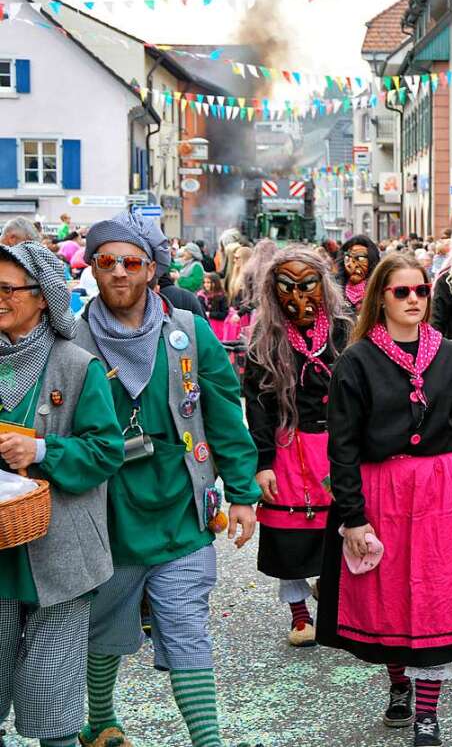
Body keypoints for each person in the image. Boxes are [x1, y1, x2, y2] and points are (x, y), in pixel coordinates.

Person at [74, 210, 260, 747]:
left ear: (151, 269)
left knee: (185, 627)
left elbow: (224, 413)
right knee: (104, 628)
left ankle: (208, 741)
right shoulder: (73, 340)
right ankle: (102, 720)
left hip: (181, 507)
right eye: (106, 261)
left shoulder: (187, 334)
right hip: (105, 512)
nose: (118, 272)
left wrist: (243, 494)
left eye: (130, 261)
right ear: (93, 267)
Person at [317, 252, 452, 747]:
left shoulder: (450, 354)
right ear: (381, 298)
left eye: (420, 291)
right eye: (402, 292)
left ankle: (428, 714)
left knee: (437, 594)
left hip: (440, 487)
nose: (414, 299)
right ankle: (399, 684)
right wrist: (352, 516)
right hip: (382, 489)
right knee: (391, 594)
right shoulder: (356, 360)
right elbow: (342, 446)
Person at [0, 243, 123, 747]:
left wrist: (43, 449)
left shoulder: (77, 366)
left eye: (8, 289)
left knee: (54, 700)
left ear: (43, 297)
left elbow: (107, 451)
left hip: (62, 554)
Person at [244, 247, 350, 647]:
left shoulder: (343, 330)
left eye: (308, 286)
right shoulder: (265, 338)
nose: (298, 298)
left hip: (335, 446)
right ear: (273, 290)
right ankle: (300, 613)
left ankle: (330, 594)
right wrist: (263, 462)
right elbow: (257, 404)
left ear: (323, 286)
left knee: (337, 528)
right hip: (288, 447)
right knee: (290, 535)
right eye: (286, 287)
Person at [340, 236, 381, 313]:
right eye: (347, 258)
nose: (351, 265)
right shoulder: (336, 289)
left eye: (360, 259)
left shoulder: (379, 290)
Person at [197, 273, 229, 340]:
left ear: (215, 283)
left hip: (218, 327)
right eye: (204, 282)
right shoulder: (201, 296)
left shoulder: (221, 296)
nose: (206, 285)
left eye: (208, 282)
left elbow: (224, 314)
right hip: (206, 325)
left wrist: (210, 314)